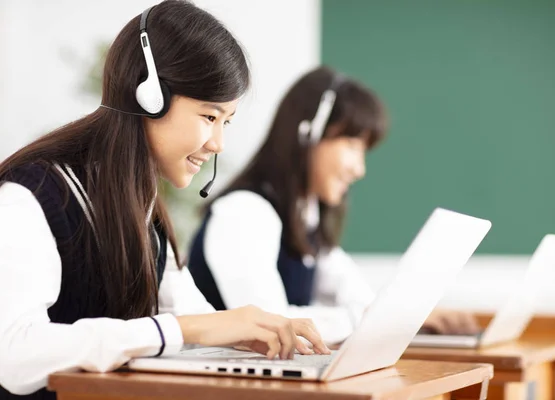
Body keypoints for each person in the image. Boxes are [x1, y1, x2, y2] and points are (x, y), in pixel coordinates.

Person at [0, 2, 328, 398]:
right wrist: (189, 330)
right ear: (149, 96)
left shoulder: (142, 206)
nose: (218, 143)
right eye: (209, 117)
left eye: (226, 122)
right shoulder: (31, 195)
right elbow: (13, 356)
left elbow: (187, 315)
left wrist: (253, 332)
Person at [187, 66, 480, 345]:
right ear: (307, 137)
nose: (359, 169)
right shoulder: (245, 212)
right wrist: (363, 319)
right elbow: (271, 323)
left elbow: (356, 296)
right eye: (353, 146)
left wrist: (415, 317)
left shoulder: (305, 217)